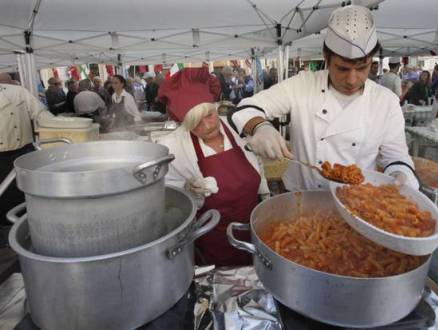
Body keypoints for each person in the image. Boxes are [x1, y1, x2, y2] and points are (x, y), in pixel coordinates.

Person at [229, 5, 419, 192]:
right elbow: (245, 108)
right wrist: (260, 127)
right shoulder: (303, 85)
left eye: (362, 68)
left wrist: (399, 174)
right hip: (300, 198)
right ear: (326, 58)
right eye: (342, 68)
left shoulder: (386, 102)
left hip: (357, 202)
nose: (352, 80)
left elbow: (396, 157)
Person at [158, 67, 269, 266]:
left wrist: (265, 196)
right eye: (196, 123)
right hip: (211, 242)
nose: (207, 126)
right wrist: (189, 192)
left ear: (215, 106)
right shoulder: (171, 146)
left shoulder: (236, 127)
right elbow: (167, 201)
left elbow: (257, 163)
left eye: (209, 115)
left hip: (253, 231)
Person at [0, 83, 52, 245]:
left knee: (23, 197)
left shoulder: (17, 92)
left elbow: (42, 115)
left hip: (22, 155)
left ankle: (25, 234)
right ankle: (9, 236)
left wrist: (65, 127)